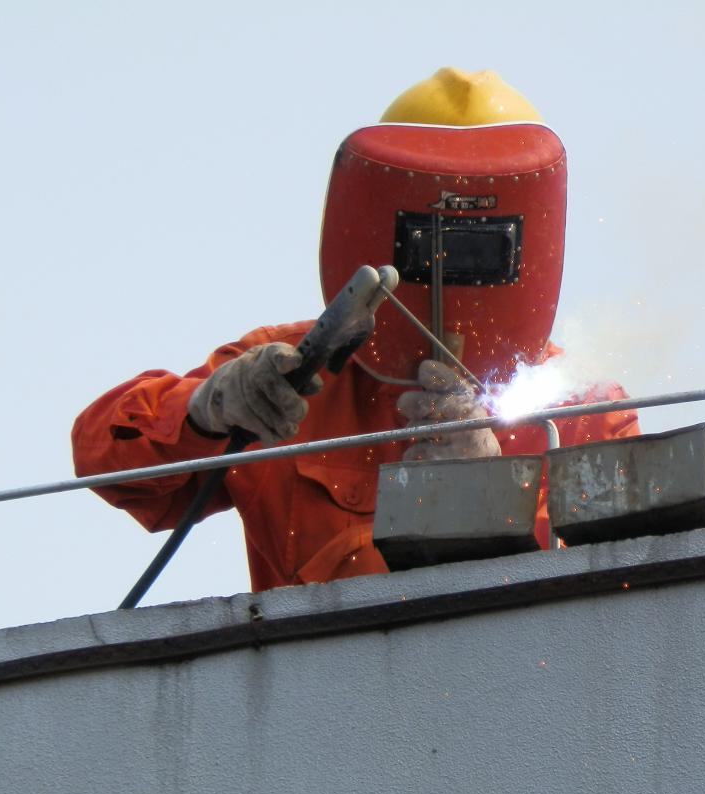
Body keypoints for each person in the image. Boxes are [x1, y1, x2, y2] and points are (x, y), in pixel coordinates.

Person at [72, 68, 639, 591]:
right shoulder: (293, 373)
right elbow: (107, 461)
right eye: (432, 239)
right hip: (314, 687)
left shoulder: (584, 413)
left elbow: (629, 612)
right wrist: (205, 410)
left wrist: (492, 497)